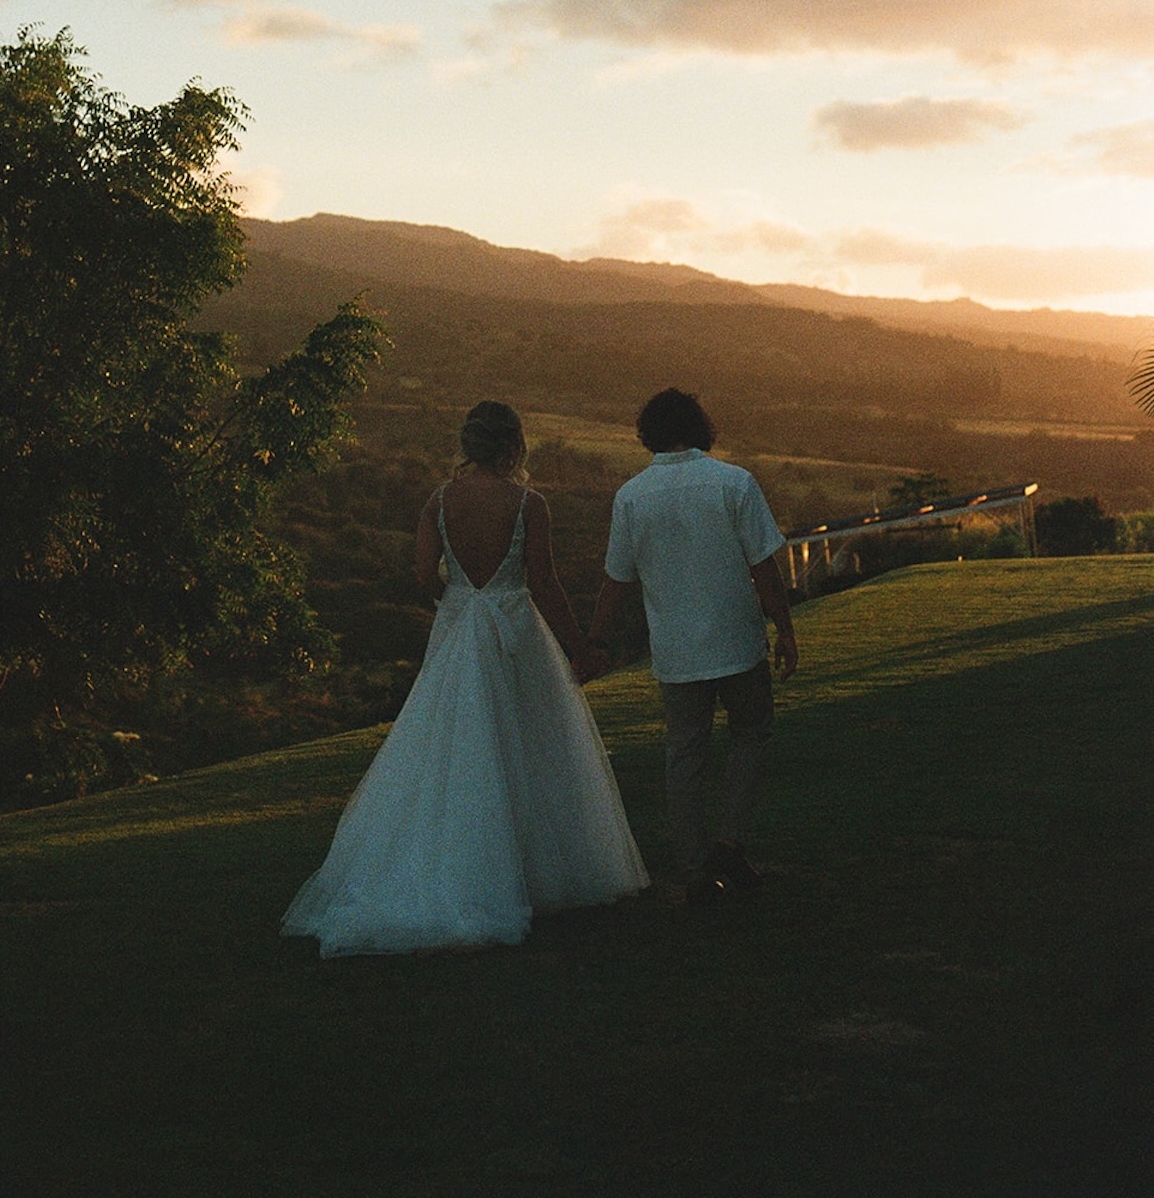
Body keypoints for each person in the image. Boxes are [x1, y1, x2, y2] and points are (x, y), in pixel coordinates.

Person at [281, 400, 648, 957]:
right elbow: (544, 582)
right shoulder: (530, 504)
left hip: (458, 628)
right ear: (513, 446)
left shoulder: (438, 500)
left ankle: (459, 866)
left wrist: (458, 603)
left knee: (448, 748)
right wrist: (580, 646)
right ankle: (533, 874)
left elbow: (422, 574)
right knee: (531, 747)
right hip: (516, 630)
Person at [583, 388, 797, 904]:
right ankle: (729, 840)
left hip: (676, 652)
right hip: (737, 640)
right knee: (751, 734)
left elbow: (616, 580)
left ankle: (695, 867)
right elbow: (762, 566)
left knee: (684, 756)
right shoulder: (733, 482)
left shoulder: (632, 496)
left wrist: (593, 640)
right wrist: (785, 629)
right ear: (701, 427)